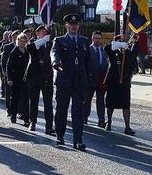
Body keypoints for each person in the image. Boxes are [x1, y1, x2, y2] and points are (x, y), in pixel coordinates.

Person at [50, 14, 90, 151]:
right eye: (71, 24)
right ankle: (60, 135)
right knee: (61, 109)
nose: (74, 26)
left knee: (78, 111)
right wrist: (55, 62)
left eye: (76, 24)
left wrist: (90, 78)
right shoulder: (60, 40)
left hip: (79, 81)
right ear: (66, 25)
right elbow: (54, 53)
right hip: (64, 80)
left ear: (78, 26)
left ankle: (78, 140)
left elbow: (88, 62)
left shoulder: (84, 41)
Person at [103, 34, 138, 135]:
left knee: (126, 105)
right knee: (110, 104)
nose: (122, 43)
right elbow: (106, 48)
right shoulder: (112, 51)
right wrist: (118, 45)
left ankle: (127, 127)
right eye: (120, 42)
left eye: (123, 41)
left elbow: (134, 56)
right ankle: (109, 122)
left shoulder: (128, 53)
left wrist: (129, 46)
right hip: (113, 82)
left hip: (124, 82)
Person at [25, 25, 55, 134]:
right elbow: (30, 48)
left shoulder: (51, 45)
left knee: (48, 103)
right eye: (41, 32)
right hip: (35, 77)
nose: (44, 33)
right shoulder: (33, 43)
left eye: (45, 31)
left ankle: (49, 126)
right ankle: (32, 122)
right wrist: (42, 40)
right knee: (34, 102)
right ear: (37, 34)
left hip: (47, 77)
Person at [83, 30, 108, 127]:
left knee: (101, 101)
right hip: (90, 79)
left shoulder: (103, 50)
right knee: (87, 100)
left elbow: (106, 63)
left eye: (99, 38)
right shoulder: (88, 50)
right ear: (92, 39)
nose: (97, 40)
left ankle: (101, 120)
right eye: (95, 38)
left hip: (101, 80)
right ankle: (84, 117)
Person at [6, 33, 30, 127]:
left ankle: (26, 118)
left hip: (26, 79)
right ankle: (13, 115)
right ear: (17, 41)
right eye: (20, 41)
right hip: (16, 78)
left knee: (26, 99)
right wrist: (9, 78)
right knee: (15, 98)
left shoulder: (28, 51)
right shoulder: (14, 52)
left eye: (24, 41)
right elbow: (9, 66)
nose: (22, 43)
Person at [0, 30, 20, 116]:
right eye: (14, 37)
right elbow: (3, 61)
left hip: (19, 74)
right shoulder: (7, 47)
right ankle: (9, 109)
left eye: (17, 37)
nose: (15, 39)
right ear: (11, 38)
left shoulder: (23, 47)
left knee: (19, 93)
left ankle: (18, 110)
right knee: (8, 93)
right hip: (9, 74)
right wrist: (5, 72)